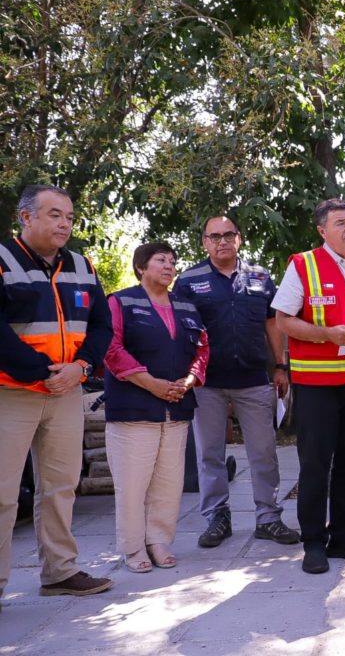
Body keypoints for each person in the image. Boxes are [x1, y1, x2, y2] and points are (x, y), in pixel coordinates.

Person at [0, 185, 114, 599]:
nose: (64, 223)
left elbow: (102, 325)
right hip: (11, 392)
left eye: (68, 216)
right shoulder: (3, 261)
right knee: (2, 493)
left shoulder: (83, 266)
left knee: (61, 486)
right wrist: (41, 372)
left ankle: (60, 571)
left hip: (66, 391)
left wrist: (81, 367)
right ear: (25, 217)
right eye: (54, 214)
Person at [271, 198, 345, 574]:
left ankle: (344, 537)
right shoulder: (303, 265)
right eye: (341, 223)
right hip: (317, 382)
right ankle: (313, 543)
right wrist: (326, 335)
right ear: (322, 230)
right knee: (316, 465)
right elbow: (284, 320)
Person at [175, 216, 299, 549]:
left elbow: (273, 324)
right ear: (204, 242)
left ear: (239, 239)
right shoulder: (188, 280)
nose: (222, 241)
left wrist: (280, 366)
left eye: (228, 235)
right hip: (207, 383)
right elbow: (178, 330)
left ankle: (268, 518)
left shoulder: (259, 277)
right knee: (209, 455)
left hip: (254, 379)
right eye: (214, 236)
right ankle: (217, 518)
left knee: (264, 452)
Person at [103, 242, 209, 572]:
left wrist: (189, 381)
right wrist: (151, 383)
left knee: (168, 481)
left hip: (176, 408)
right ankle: (133, 548)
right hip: (133, 408)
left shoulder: (187, 306)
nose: (169, 266)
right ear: (140, 267)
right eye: (160, 260)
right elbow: (111, 348)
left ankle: (159, 540)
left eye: (172, 261)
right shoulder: (119, 301)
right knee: (132, 484)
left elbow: (203, 349)